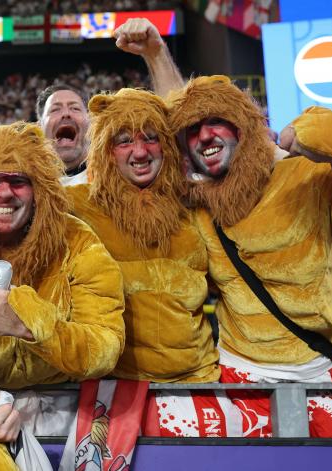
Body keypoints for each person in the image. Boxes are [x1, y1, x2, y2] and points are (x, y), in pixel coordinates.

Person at [167, 75, 332, 438]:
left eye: (216, 122)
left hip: (322, 370)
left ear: (244, 128)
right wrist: (153, 52)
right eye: (191, 131)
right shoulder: (197, 207)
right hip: (240, 378)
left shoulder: (306, 177)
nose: (204, 136)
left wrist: (328, 133)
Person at [0, 122, 125, 470]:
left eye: (18, 180)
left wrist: (29, 324)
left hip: (75, 414)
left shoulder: (76, 240)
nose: (4, 193)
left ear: (38, 187)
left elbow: (106, 345)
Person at [67, 88, 237, 442]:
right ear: (104, 150)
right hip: (111, 394)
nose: (140, 152)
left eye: (151, 138)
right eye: (124, 140)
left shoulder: (195, 203)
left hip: (196, 384)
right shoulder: (77, 206)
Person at [36, 18, 184, 187]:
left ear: (92, 124)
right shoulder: (23, 186)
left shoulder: (122, 171)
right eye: (55, 109)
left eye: (75, 108)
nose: (66, 113)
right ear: (39, 127)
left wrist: (156, 54)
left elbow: (179, 128)